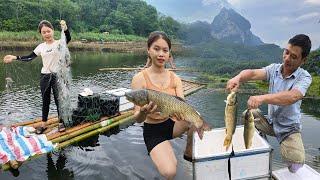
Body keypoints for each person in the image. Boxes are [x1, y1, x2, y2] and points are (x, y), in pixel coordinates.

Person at [226, 34, 312, 173]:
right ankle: (260, 141)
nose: (287, 58)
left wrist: (262, 98)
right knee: (248, 114)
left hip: (289, 129)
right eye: (286, 52)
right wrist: (238, 78)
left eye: (294, 56)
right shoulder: (274, 69)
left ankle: (290, 158)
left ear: (303, 60)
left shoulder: (304, 77)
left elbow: (292, 96)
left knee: (296, 165)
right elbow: (253, 73)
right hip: (270, 122)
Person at [131, 31, 202, 180]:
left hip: (172, 124)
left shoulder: (175, 78)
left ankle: (188, 153)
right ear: (148, 50)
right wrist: (144, 112)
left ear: (169, 54)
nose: (161, 54)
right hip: (153, 130)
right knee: (169, 172)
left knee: (196, 117)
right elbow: (137, 118)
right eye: (156, 49)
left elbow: (182, 105)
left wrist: (179, 114)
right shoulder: (139, 79)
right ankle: (163, 150)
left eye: (165, 50)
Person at [3, 20, 71, 134]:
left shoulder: (59, 43)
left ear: (53, 31)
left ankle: (61, 122)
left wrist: (65, 28)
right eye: (44, 32)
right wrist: (14, 57)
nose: (47, 34)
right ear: (41, 34)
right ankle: (44, 123)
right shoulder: (41, 47)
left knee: (58, 99)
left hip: (57, 75)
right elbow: (29, 57)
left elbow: (68, 38)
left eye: (48, 31)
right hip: (45, 76)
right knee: (45, 100)